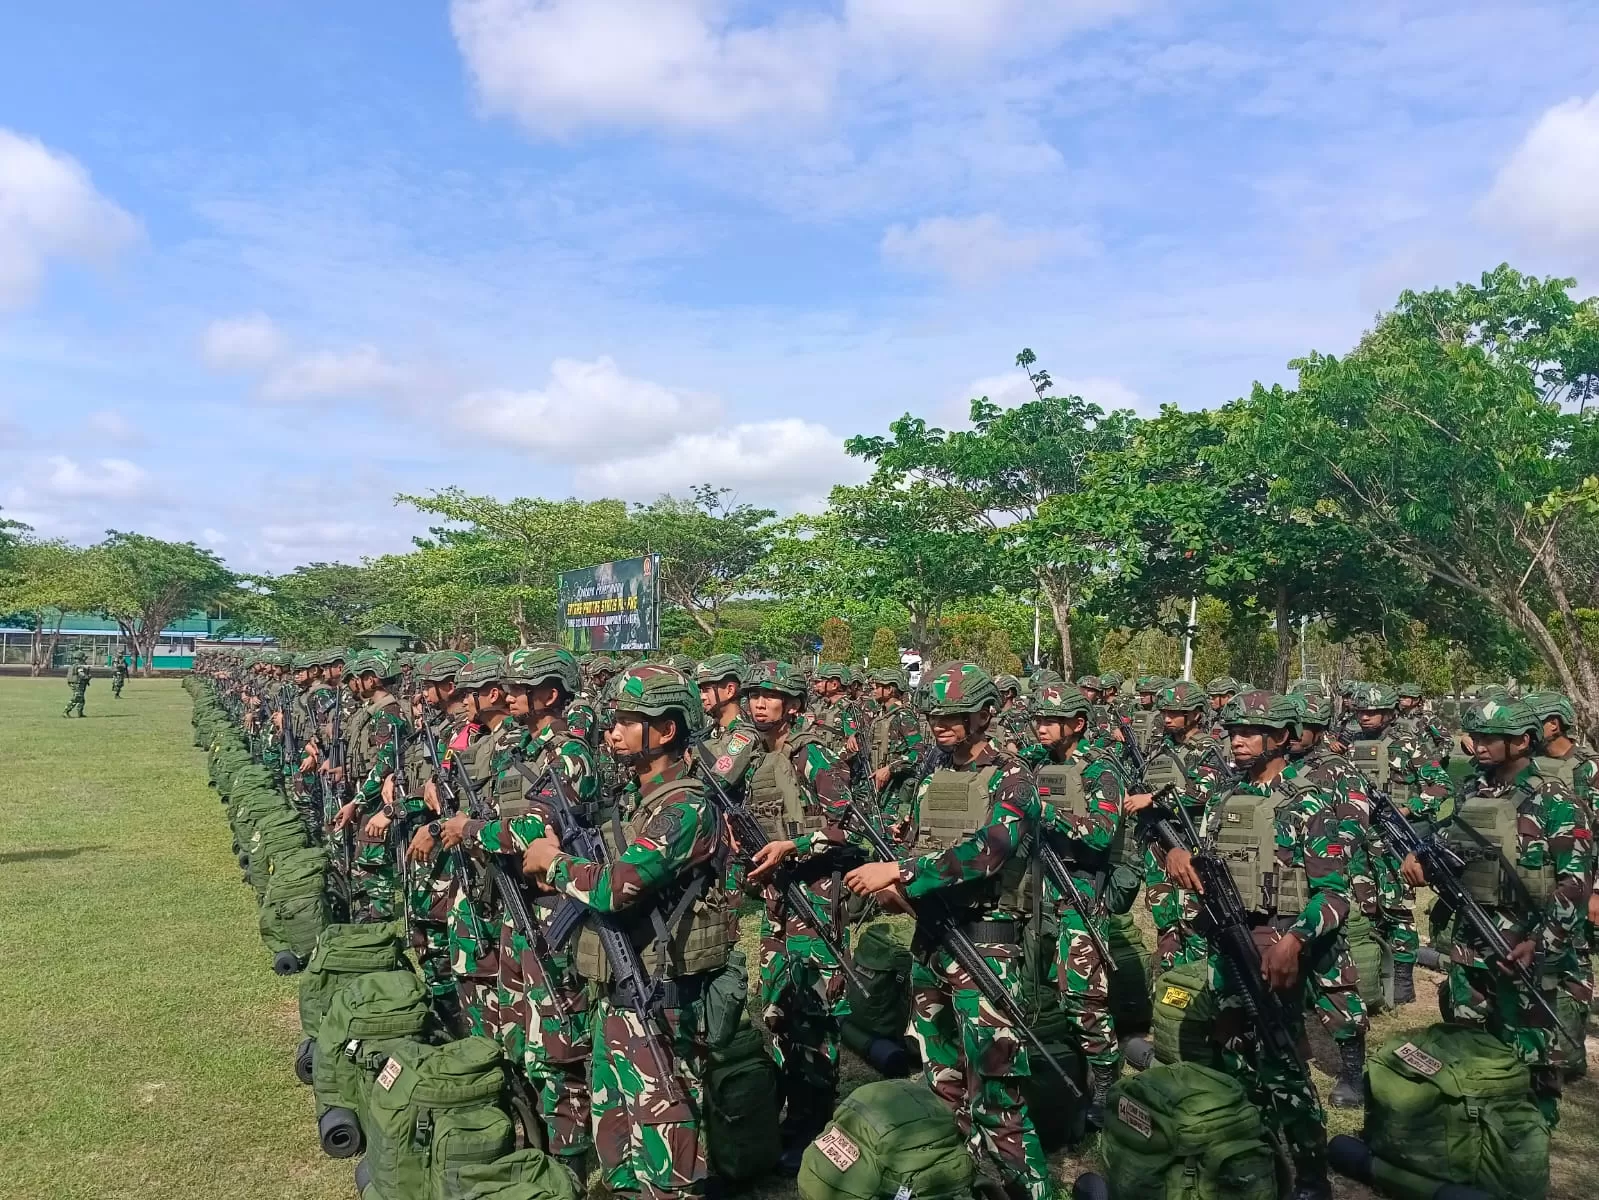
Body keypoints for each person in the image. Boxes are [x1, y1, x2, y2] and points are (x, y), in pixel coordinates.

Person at [522, 665, 732, 1200]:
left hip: (660, 998)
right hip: (619, 993)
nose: (612, 732)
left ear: (665, 731)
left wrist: (554, 861)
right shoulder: (640, 801)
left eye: (628, 721)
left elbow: (617, 887)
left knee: (665, 1139)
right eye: (613, 720)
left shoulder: (686, 807)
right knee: (615, 1133)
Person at [844, 662, 1051, 1200]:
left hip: (986, 944)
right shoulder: (933, 778)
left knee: (998, 1093)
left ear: (985, 713)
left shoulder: (1013, 777)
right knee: (941, 1081)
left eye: (954, 712)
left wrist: (904, 874)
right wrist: (902, 889)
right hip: (931, 943)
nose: (940, 721)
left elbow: (989, 851)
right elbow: (919, 848)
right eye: (934, 711)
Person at [1160, 691, 1346, 1200]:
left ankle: (1311, 1175)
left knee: (1282, 1062)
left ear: (1282, 737)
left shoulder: (1310, 801)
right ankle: (1253, 1157)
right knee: (1229, 1049)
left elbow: (1335, 894)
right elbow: (1211, 865)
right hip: (1226, 940)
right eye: (1232, 732)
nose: (1236, 741)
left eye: (1248, 733)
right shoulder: (1226, 799)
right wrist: (1179, 856)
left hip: (1276, 942)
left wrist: (1294, 940)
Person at [1401, 698, 1589, 1127]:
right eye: (1478, 736)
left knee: (1532, 1052)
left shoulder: (1555, 800)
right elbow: (1455, 848)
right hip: (1472, 938)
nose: (1479, 745)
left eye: (1490, 738)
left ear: (1522, 742)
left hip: (1526, 943)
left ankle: (1529, 1138)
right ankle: (1475, 1130)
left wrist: (1541, 944)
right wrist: (1423, 858)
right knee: (1468, 1042)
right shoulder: (1470, 790)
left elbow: (1574, 884)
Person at [737, 660, 858, 1169]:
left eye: (770, 695)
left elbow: (847, 824)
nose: (759, 703)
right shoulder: (755, 757)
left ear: (792, 704)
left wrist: (794, 844)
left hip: (815, 897)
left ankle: (814, 1113)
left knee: (815, 1009)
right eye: (754, 695)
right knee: (780, 1004)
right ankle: (793, 1101)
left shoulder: (811, 753)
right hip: (779, 901)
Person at [1028, 684, 1126, 1124]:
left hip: (1079, 892)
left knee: (1085, 996)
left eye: (1050, 720)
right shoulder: (1034, 766)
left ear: (1078, 724)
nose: (1041, 727)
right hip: (1034, 891)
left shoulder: (1100, 770)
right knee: (1037, 985)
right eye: (1038, 719)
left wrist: (1042, 812)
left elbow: (1102, 831)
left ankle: (1104, 1080)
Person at [1283, 691, 1372, 1109]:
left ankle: (1353, 1070)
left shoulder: (1339, 771)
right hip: (1277, 891)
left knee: (1334, 980)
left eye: (1302, 727)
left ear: (1317, 730)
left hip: (1322, 886)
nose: (1294, 735)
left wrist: (1320, 854)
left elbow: (1355, 824)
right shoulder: (1276, 770)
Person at [1346, 682, 1453, 1002]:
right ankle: (1373, 975)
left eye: (1373, 712)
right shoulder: (1352, 744)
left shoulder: (1408, 743)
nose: (1365, 717)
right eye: (1361, 711)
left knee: (1398, 908)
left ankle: (1403, 983)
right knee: (1365, 905)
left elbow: (1440, 786)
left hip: (1395, 837)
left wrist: (1406, 809)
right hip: (1361, 837)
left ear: (1390, 712)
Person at [1124, 680, 1230, 972]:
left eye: (1175, 712)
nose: (1167, 718)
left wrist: (1152, 798)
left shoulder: (1206, 748)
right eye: (1165, 712)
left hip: (1187, 842)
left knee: (1192, 915)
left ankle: (1194, 975)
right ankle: (1169, 976)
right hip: (1157, 840)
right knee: (1164, 915)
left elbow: (1207, 791)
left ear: (1195, 714)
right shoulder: (1161, 749)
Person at [62, 652, 91, 718]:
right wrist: (87, 677)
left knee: (81, 699)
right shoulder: (79, 666)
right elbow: (81, 674)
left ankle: (80, 713)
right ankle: (66, 711)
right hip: (77, 683)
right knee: (77, 697)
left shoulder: (76, 665)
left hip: (78, 683)